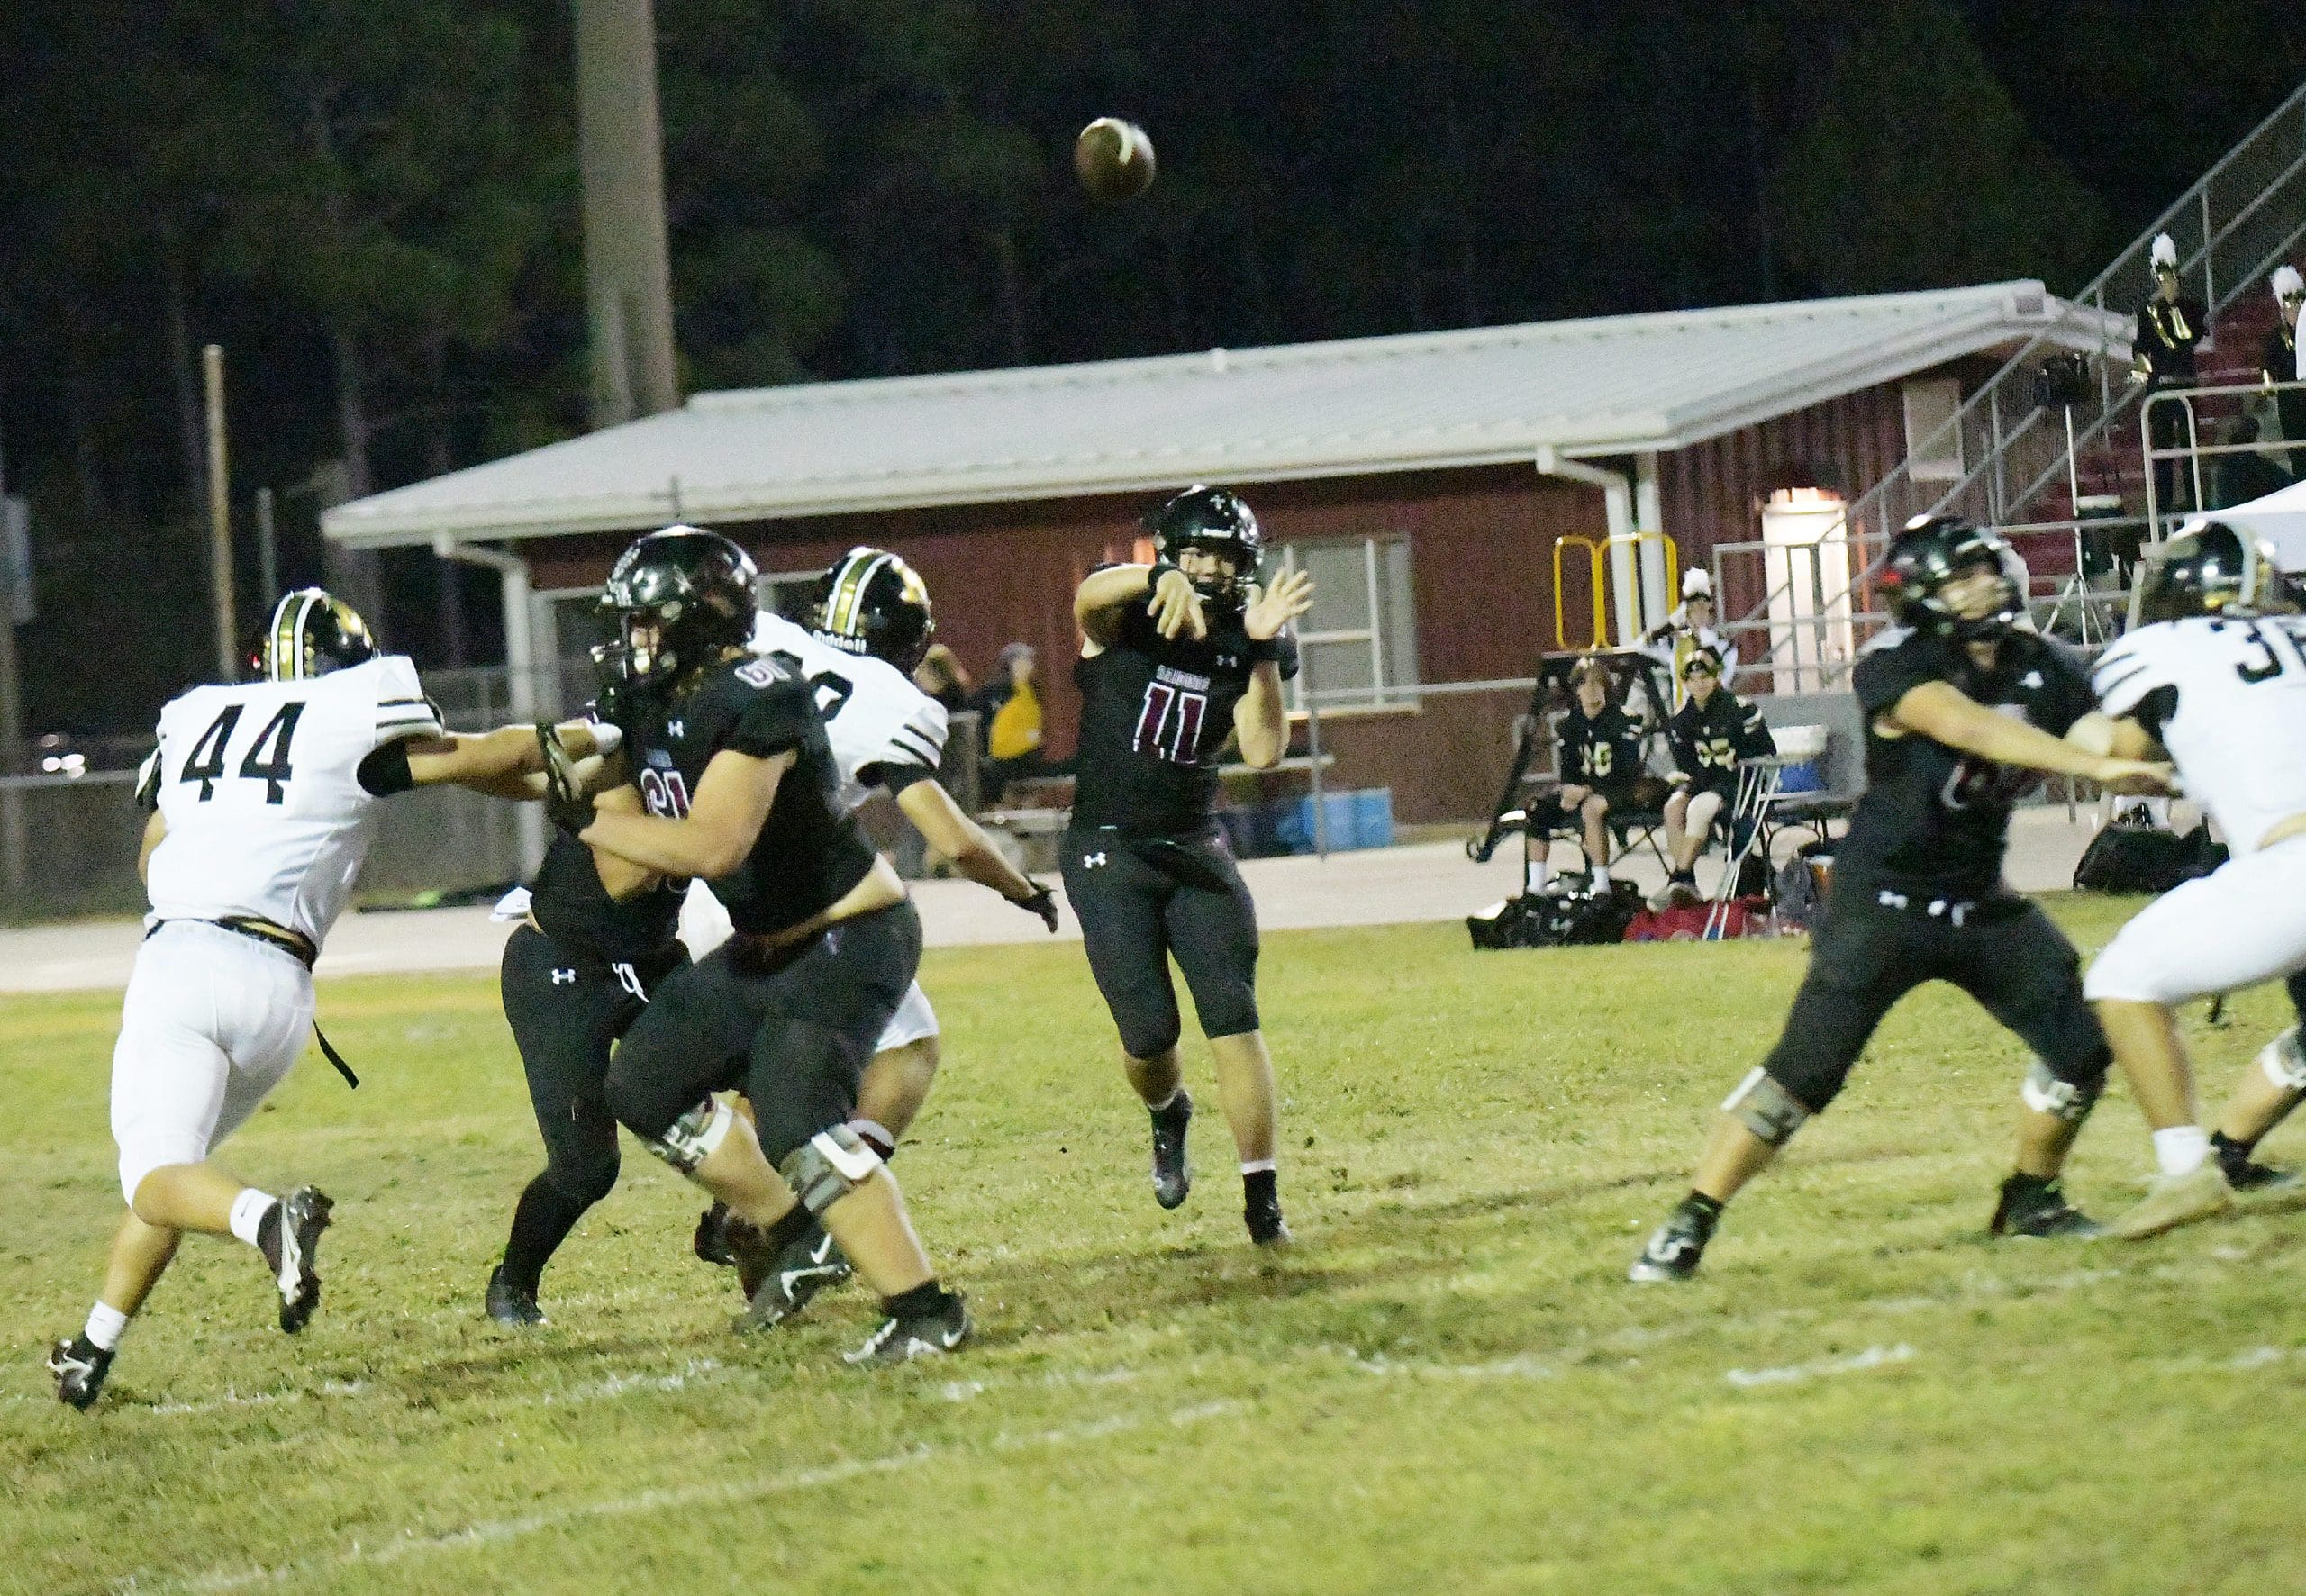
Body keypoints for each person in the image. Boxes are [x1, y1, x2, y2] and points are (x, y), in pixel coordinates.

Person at [47, 589, 612, 1409]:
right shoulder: (354, 720)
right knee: (177, 1171)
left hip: (186, 959)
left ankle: (266, 1222)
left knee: (156, 1174)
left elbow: (151, 855)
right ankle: (93, 1347)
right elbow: (487, 757)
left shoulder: (200, 717)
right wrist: (605, 733)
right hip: (281, 992)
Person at [1627, 516, 2175, 1283]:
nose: (1987, 585)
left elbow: (2104, 742)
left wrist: (2158, 719)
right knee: (1804, 1075)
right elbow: (1967, 726)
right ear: (1923, 596)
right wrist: (2094, 768)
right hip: (1882, 902)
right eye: (1965, 576)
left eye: (1987, 570)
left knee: (2081, 1044)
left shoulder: (2037, 663)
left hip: (1979, 899)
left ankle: (2032, 1197)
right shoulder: (1898, 665)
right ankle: (1691, 1219)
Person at [543, 525, 969, 1364]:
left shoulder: (761, 693)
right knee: (643, 1083)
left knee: (803, 1124)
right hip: (762, 942)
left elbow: (713, 848)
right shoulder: (654, 694)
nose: (633, 639)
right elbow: (561, 779)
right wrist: (429, 763)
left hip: (847, 935)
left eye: (646, 620)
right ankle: (797, 1226)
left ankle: (927, 1310)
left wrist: (585, 816)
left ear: (697, 620)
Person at [682, 545, 1059, 1328]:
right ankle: (808, 1208)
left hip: (688, 876)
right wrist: (1021, 889)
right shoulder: (898, 702)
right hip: (779, 898)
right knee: (908, 1046)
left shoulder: (765, 636)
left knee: (763, 1074)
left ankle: (762, 1236)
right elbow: (950, 838)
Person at [1065, 485, 1314, 1245]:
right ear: (1171, 554)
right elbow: (1088, 598)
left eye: (1223, 556)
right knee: (1148, 1037)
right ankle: (1167, 1111)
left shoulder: (1249, 632)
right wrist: (1154, 577)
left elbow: (1263, 750)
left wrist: (1262, 653)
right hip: (1109, 846)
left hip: (1194, 844)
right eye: (1194, 553)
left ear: (1245, 563)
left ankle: (1262, 1199)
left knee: (1234, 1017)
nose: (1208, 568)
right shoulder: (1129, 611)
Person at [2076, 522, 2306, 1238]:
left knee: (2122, 979)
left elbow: (2128, 757)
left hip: (2293, 865)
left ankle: (2187, 1174)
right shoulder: (2296, 636)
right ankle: (2230, 1152)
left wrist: (2080, 737)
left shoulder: (2159, 650)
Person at [1650, 645, 1777, 909]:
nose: (1699, 684)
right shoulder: (1682, 719)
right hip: (1704, 782)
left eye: (1704, 677)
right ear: (1685, 682)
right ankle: (1688, 882)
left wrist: (1740, 757)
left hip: (1737, 785)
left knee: (1699, 807)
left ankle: (1679, 877)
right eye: (1693, 679)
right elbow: (1686, 764)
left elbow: (1767, 751)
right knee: (1673, 807)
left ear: (1717, 675)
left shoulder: (1740, 709)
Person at [1524, 657, 1645, 896]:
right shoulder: (1570, 724)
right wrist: (1569, 789)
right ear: (1576, 689)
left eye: (1597, 683)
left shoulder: (1625, 720)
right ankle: (1535, 888)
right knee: (1538, 809)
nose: (1591, 690)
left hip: (1618, 790)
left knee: (1591, 808)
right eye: (1584, 684)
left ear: (1606, 686)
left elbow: (1627, 769)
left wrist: (1588, 790)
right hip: (1583, 791)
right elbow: (1569, 768)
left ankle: (1601, 886)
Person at [2134, 231, 2208, 515]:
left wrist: (2175, 308)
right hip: (2160, 386)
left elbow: (2190, 336)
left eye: (2172, 279)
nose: (2168, 284)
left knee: (2190, 448)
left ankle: (2194, 502)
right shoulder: (2148, 313)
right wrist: (2141, 369)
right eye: (2163, 280)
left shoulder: (2192, 308)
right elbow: (2142, 347)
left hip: (2185, 382)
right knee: (2162, 451)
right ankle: (2163, 508)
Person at [1642, 568, 1739, 706]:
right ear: (1686, 614)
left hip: (1715, 710)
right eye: (1694, 609)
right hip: (1682, 711)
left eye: (1703, 609)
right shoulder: (1675, 643)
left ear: (1710, 613)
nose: (1699, 613)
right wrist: (1669, 625)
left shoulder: (1723, 645)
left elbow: (1723, 682)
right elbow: (1642, 646)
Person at [973, 641, 1049, 802]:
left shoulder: (1030, 690)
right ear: (1012, 663)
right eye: (1025, 660)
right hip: (1003, 762)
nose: (1030, 665)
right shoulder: (996, 691)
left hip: (1027, 757)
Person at [2259, 264, 2304, 478]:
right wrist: (2268, 380)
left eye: (2297, 307)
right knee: (2296, 452)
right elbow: (2267, 365)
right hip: (2290, 401)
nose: (2293, 312)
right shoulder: (2276, 337)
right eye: (2289, 308)